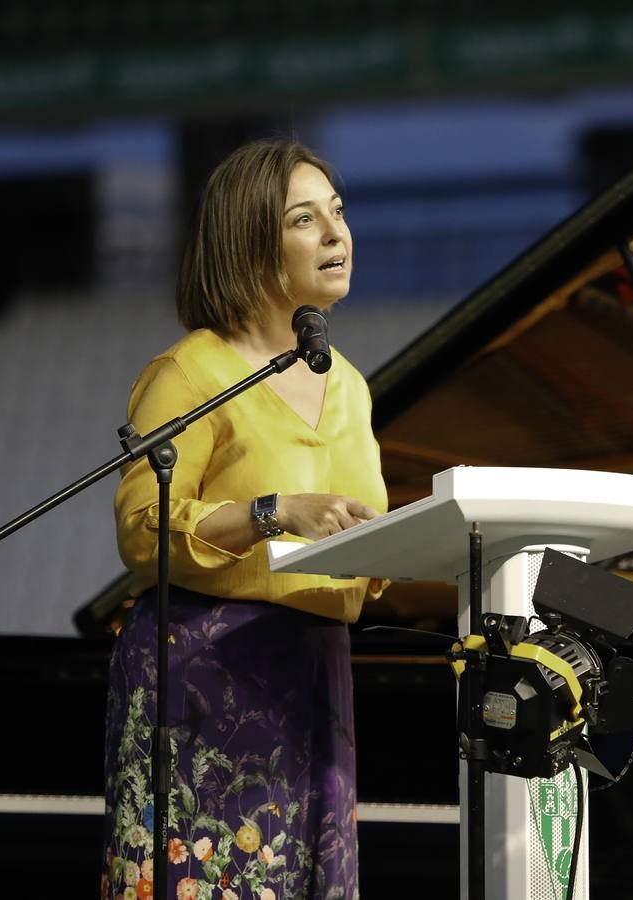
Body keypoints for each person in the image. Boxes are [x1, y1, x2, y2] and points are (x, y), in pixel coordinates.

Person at [102, 139, 385, 900]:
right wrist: (274, 513)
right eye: (305, 219)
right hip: (206, 670)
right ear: (250, 244)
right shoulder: (190, 372)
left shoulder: (349, 386)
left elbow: (367, 539)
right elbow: (141, 531)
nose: (335, 234)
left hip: (316, 667)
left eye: (339, 212)